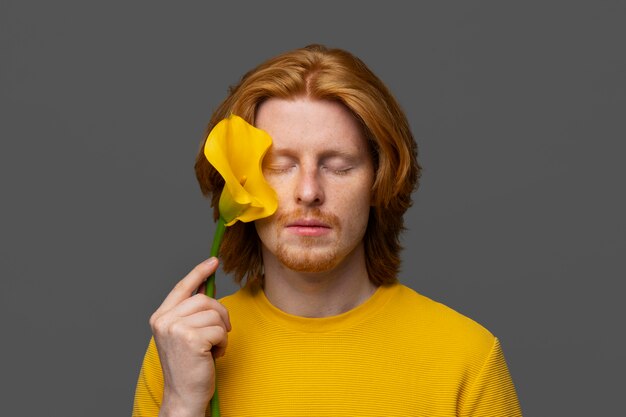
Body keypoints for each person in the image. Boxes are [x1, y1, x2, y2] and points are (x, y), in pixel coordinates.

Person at [132, 44, 522, 417]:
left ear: (379, 181)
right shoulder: (182, 348)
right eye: (280, 165)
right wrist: (181, 406)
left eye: (338, 166)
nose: (308, 192)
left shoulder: (466, 356)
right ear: (238, 179)